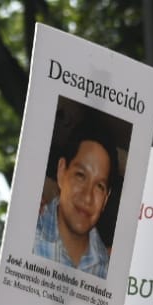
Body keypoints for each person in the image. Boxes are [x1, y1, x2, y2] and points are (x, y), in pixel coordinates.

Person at [32, 116, 118, 279]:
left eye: (100, 186)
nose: (87, 197)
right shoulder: (26, 234)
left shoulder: (109, 271)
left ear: (106, 199)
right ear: (61, 171)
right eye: (80, 175)